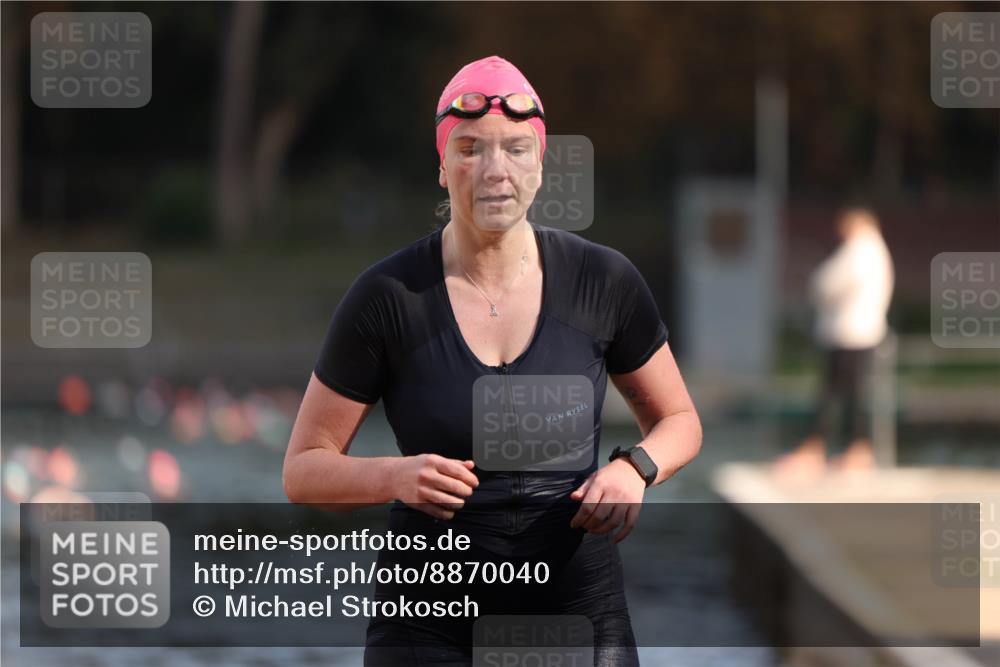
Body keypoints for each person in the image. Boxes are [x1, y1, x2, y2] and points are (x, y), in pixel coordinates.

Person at [282, 54, 702, 666]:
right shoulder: (389, 297)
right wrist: (395, 477)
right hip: (427, 624)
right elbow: (303, 470)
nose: (494, 170)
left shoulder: (603, 280)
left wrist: (636, 468)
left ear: (540, 165)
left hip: (575, 609)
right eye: (471, 148)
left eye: (514, 149)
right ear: (442, 166)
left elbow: (680, 421)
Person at [773, 207, 894, 480]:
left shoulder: (860, 249)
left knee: (833, 395)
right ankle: (853, 449)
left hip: (849, 334)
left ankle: (821, 449)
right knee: (851, 395)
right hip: (860, 333)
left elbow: (827, 283)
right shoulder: (874, 251)